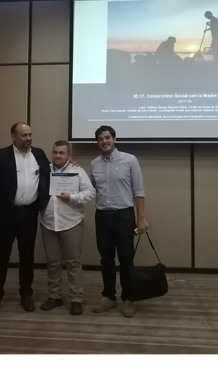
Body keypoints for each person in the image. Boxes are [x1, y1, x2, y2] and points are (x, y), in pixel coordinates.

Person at [0, 122, 51, 315]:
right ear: (13, 136)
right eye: (24, 135)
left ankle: (26, 294)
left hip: (29, 213)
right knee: (2, 255)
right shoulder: (0, 155)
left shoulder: (39, 154)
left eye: (30, 134)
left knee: (27, 256)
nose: (28, 138)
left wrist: (71, 166)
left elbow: (52, 173)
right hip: (6, 213)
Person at [90, 126, 148, 319]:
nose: (104, 141)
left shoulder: (130, 160)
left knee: (126, 260)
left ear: (114, 139)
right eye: (100, 139)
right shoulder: (94, 164)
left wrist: (141, 218)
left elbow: (139, 192)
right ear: (97, 142)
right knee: (106, 259)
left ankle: (128, 298)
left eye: (107, 138)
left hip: (124, 216)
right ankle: (109, 297)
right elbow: (90, 189)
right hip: (102, 216)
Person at [39, 140, 95, 316]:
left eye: (62, 153)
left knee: (73, 262)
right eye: (55, 152)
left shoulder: (78, 171)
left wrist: (72, 197)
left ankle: (76, 298)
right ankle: (54, 296)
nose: (57, 156)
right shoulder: (44, 170)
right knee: (53, 262)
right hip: (48, 223)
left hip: (71, 223)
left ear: (69, 155)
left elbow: (90, 193)